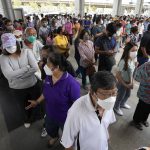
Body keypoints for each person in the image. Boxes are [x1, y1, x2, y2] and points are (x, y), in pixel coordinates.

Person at [26, 51, 80, 147]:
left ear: (57, 67)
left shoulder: (72, 84)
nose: (44, 66)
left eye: (47, 64)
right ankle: (55, 137)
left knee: (67, 136)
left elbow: (77, 105)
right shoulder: (49, 77)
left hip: (65, 118)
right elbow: (46, 93)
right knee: (50, 129)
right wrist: (37, 101)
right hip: (50, 114)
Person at [61, 71, 117, 150]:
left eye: (114, 92)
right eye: (105, 94)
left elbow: (106, 124)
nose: (110, 98)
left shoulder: (109, 103)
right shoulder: (76, 111)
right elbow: (67, 144)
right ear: (92, 91)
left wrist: (107, 137)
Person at [0, 33, 42, 128]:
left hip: (32, 84)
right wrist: (26, 68)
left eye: (12, 45)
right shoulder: (2, 58)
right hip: (17, 88)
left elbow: (35, 68)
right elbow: (8, 75)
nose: (11, 48)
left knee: (36, 102)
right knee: (23, 105)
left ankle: (37, 116)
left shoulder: (26, 52)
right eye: (8, 46)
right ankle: (27, 119)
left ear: (17, 43)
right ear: (4, 47)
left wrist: (19, 76)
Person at [114, 42, 137, 116]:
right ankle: (116, 107)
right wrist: (125, 85)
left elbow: (131, 72)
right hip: (122, 83)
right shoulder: (123, 62)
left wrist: (131, 82)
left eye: (136, 50)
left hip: (128, 82)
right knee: (120, 96)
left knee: (127, 95)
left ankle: (122, 104)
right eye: (133, 51)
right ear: (127, 51)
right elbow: (118, 75)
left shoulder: (132, 60)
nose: (135, 53)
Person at [132, 61, 150, 130]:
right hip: (145, 93)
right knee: (141, 107)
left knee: (148, 108)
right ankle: (136, 121)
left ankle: (143, 119)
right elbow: (137, 76)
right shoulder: (147, 65)